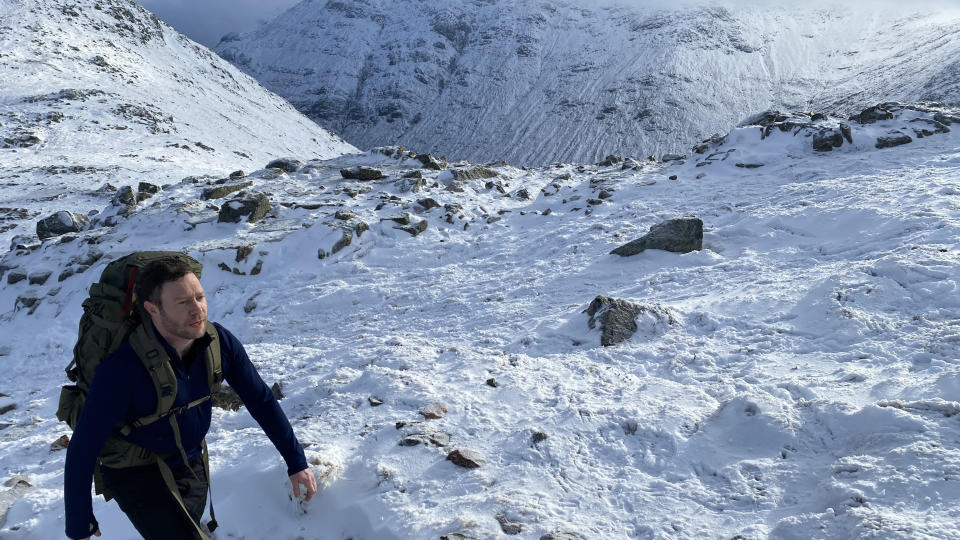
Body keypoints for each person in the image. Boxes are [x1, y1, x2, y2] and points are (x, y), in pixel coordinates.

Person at [64, 258, 317, 539]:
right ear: (153, 310)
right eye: (182, 302)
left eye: (199, 297)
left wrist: (297, 462)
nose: (197, 309)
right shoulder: (123, 369)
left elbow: (261, 400)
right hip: (135, 472)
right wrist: (79, 523)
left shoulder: (218, 342)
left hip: (191, 460)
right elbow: (83, 446)